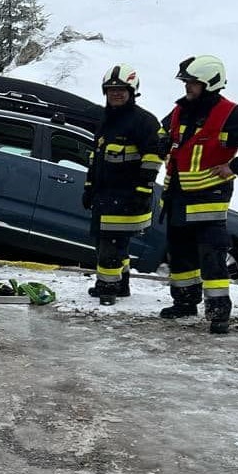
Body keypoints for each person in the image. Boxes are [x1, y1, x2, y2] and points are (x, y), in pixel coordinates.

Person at [160, 55, 238, 334]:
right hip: (177, 197)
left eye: (192, 82)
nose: (187, 87)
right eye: (186, 82)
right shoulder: (180, 110)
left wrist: (235, 166)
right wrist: (162, 144)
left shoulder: (230, 114)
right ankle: (184, 302)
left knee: (212, 258)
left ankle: (218, 313)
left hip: (208, 201)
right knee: (181, 255)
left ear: (210, 83)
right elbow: (162, 133)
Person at [83, 64, 166, 307]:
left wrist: (142, 190)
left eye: (121, 90)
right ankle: (122, 284)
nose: (116, 94)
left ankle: (107, 288)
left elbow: (154, 157)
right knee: (111, 242)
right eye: (111, 90)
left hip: (127, 195)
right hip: (104, 194)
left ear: (132, 92)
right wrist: (89, 186)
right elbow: (96, 157)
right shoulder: (106, 119)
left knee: (110, 243)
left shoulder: (144, 121)